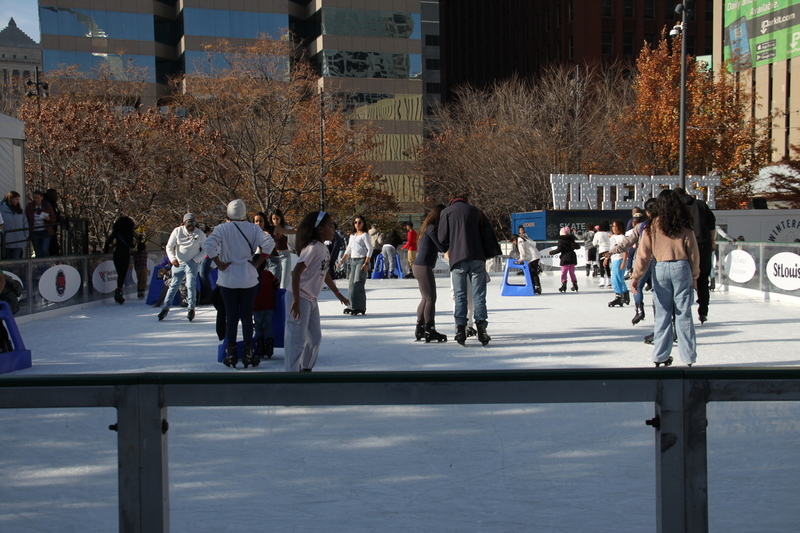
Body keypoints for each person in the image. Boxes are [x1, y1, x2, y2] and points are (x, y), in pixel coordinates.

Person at [631, 189, 700, 367]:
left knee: (662, 313)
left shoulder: (651, 226)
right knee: (683, 313)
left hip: (660, 267)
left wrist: (636, 276)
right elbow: (693, 253)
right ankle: (688, 357)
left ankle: (660, 356)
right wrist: (694, 275)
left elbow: (643, 254)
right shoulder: (684, 225)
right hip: (681, 267)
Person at [205, 200, 275, 369]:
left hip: (227, 277)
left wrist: (219, 263)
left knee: (231, 317)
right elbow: (269, 244)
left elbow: (208, 246)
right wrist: (257, 263)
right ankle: (248, 353)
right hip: (248, 276)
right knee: (246, 316)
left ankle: (231, 353)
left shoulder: (222, 228)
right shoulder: (253, 228)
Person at [284, 211, 349, 372]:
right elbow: (297, 272)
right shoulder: (312, 248)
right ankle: (291, 374)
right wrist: (297, 300)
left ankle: (306, 369)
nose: (333, 229)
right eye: (330, 225)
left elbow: (324, 272)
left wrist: (337, 293)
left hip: (310, 298)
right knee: (297, 338)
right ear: (320, 229)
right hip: (298, 297)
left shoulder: (323, 248)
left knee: (314, 337)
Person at [438, 191, 489, 346]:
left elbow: (442, 237)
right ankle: (481, 328)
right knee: (478, 295)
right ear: (466, 199)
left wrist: (450, 246)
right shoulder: (476, 211)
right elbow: (485, 234)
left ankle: (460, 329)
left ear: (451, 199)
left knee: (460, 296)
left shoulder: (446, 212)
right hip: (477, 257)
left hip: (458, 258)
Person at [609, 198, 657, 326]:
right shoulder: (669, 224)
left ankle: (639, 310)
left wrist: (613, 251)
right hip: (662, 262)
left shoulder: (641, 226)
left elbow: (627, 242)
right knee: (659, 290)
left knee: (637, 286)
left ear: (647, 212)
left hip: (645, 260)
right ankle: (660, 318)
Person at [674, 187, 716, 324]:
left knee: (683, 279)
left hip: (684, 244)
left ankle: (683, 312)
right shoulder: (700, 204)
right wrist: (712, 241)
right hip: (703, 243)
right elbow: (712, 224)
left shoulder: (675, 207)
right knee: (703, 278)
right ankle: (703, 310)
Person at [157, 213, 207, 322]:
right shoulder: (177, 231)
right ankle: (165, 308)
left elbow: (205, 249)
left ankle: (191, 308)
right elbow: (169, 246)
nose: (192, 225)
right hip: (178, 263)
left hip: (192, 263)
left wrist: (195, 260)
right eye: (189, 222)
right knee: (174, 285)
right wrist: (172, 259)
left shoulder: (199, 234)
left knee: (190, 285)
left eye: (194, 222)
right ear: (184, 223)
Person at [412, 204, 448, 342]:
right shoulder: (432, 228)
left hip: (420, 266)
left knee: (425, 298)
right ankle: (429, 329)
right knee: (431, 298)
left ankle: (420, 327)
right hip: (423, 266)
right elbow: (441, 247)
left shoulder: (428, 227)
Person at [337, 215, 372, 315]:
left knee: (358, 282)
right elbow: (349, 249)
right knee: (352, 284)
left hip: (361, 260)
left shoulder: (364, 235)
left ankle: (360, 306)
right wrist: (342, 260)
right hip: (353, 260)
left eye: (359, 222)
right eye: (355, 222)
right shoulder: (352, 235)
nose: (357, 224)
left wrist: (366, 262)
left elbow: (370, 249)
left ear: (363, 223)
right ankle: (351, 305)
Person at [103, 216, 136, 304]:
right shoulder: (129, 233)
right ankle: (119, 290)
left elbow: (108, 242)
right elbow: (131, 245)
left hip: (116, 254)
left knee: (119, 273)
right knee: (122, 273)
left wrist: (105, 252)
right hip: (125, 254)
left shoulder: (116, 233)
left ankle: (119, 290)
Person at [252, 257, 279, 359]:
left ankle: (260, 347)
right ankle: (269, 346)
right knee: (268, 326)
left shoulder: (252, 275)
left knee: (258, 326)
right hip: (269, 305)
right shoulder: (269, 275)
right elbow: (276, 284)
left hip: (256, 305)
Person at [605, 220, 629, 307]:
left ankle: (619, 296)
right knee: (617, 278)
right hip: (614, 259)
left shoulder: (622, 237)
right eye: (613, 226)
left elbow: (626, 251)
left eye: (616, 226)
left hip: (619, 259)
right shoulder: (613, 237)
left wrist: (623, 262)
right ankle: (624, 295)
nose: (614, 228)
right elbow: (611, 250)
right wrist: (606, 258)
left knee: (616, 279)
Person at [25, 191, 56, 258]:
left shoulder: (47, 206)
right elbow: (26, 218)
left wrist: (49, 219)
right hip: (34, 231)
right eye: (34, 198)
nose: (36, 200)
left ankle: (47, 265)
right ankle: (39, 266)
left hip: (45, 231)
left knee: (44, 249)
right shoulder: (29, 207)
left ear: (42, 198)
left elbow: (54, 219)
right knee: (37, 251)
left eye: (38, 198)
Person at [1, 192, 28, 259]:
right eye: (16, 199)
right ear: (10, 199)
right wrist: (2, 236)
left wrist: (25, 235)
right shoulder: (2, 210)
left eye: (18, 199)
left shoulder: (19, 210)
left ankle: (16, 270)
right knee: (6, 258)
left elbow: (25, 223)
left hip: (19, 239)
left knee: (16, 258)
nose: (17, 201)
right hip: (6, 240)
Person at [553, 226, 579, 293]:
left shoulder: (561, 240)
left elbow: (559, 249)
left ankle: (564, 285)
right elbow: (576, 246)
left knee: (564, 272)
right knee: (572, 272)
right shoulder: (571, 239)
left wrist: (551, 252)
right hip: (572, 257)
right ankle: (575, 284)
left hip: (565, 258)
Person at [517, 226, 541, 294]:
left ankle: (535, 286)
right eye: (520, 230)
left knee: (533, 272)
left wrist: (522, 258)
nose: (521, 231)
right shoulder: (525, 237)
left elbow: (522, 250)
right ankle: (535, 286)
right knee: (532, 271)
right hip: (534, 255)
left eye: (522, 229)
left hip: (532, 256)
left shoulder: (521, 239)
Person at [43, 189, 64, 256]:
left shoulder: (53, 204)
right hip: (48, 229)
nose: (56, 197)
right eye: (55, 195)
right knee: (49, 248)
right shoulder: (47, 204)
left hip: (52, 230)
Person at [593, 220, 612, 287]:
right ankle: (609, 280)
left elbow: (594, 243)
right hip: (609, 251)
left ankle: (602, 281)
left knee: (601, 266)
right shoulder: (610, 233)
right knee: (607, 266)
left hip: (602, 250)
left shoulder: (598, 234)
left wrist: (599, 243)